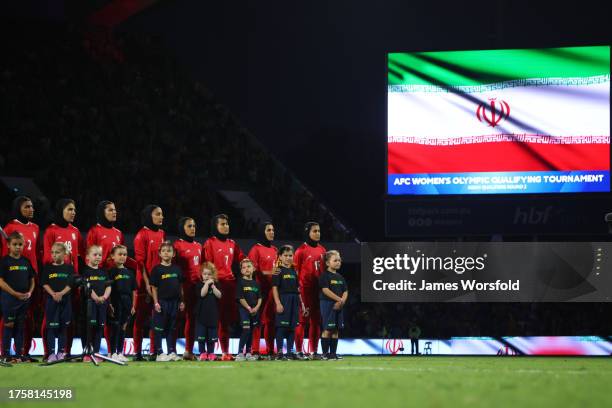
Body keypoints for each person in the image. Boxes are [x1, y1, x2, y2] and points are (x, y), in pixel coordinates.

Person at [86, 200, 137, 356]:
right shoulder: (94, 231)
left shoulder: (118, 233)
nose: (114, 212)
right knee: (106, 317)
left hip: (119, 279)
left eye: (115, 210)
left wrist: (137, 266)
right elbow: (89, 256)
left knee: (118, 318)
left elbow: (122, 255)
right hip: (102, 279)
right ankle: (101, 351)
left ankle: (114, 351)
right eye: (110, 210)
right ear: (102, 212)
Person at [43, 199, 84, 357]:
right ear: (61, 210)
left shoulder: (75, 231)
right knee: (50, 318)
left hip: (70, 283)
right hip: (54, 282)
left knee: (68, 319)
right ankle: (49, 353)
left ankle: (65, 352)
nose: (73, 212)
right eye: (70, 209)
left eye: (74, 209)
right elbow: (47, 258)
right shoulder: (50, 231)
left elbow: (80, 256)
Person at [1, 196, 40, 361]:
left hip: (29, 279)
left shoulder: (36, 228)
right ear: (18, 208)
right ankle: (6, 354)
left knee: (27, 320)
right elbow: (4, 253)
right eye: (27, 207)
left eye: (32, 206)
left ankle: (23, 352)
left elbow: (36, 253)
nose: (31, 209)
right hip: (11, 283)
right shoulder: (10, 227)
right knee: (8, 321)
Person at [203, 214, 245, 361]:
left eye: (227, 223)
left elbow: (243, 260)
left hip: (230, 285)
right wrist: (211, 283)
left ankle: (226, 352)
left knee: (226, 321)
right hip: (216, 284)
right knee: (215, 320)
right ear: (215, 226)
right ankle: (210, 352)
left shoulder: (233, 243)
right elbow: (207, 266)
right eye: (222, 224)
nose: (226, 226)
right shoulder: (209, 243)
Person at [132, 205, 165, 361]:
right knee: (140, 319)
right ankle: (137, 353)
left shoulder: (161, 233)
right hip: (144, 284)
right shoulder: (141, 235)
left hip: (159, 284)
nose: (161, 217)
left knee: (156, 319)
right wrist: (146, 284)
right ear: (149, 216)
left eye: (162, 214)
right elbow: (141, 263)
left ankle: (154, 352)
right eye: (158, 214)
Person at [0, 232, 35, 362]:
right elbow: (1, 281)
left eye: (20, 244)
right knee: (8, 325)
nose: (18, 247)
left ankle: (19, 355)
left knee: (20, 326)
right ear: (8, 245)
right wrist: (14, 293)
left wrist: (30, 292)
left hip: (24, 299)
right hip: (9, 299)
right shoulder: (4, 261)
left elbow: (32, 279)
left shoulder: (26, 261)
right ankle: (5, 355)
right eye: (15, 244)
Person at [294, 222, 326, 359]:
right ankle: (299, 351)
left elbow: (324, 272)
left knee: (316, 321)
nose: (318, 233)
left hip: (317, 291)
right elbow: (295, 272)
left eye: (319, 231)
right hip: (304, 291)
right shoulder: (300, 250)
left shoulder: (323, 250)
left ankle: (313, 352)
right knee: (302, 321)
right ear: (308, 232)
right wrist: (297, 290)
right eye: (315, 231)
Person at [173, 217, 202, 360]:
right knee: (175, 318)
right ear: (182, 228)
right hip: (181, 286)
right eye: (189, 226)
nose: (193, 228)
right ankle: (169, 350)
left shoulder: (198, 245)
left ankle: (188, 351)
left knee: (192, 318)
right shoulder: (177, 245)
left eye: (194, 225)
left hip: (196, 287)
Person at [247, 222, 277, 359]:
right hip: (258, 290)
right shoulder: (256, 249)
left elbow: (278, 270)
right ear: (262, 232)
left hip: (272, 291)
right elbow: (253, 270)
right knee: (257, 321)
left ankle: (270, 350)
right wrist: (270, 272)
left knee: (270, 320)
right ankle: (255, 350)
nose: (272, 232)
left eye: (273, 230)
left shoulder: (275, 250)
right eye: (268, 230)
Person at [150, 242, 184, 362]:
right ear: (159, 253)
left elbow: (180, 287)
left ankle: (171, 352)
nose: (166, 253)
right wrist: (156, 302)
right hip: (162, 302)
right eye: (163, 250)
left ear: (173, 254)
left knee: (172, 328)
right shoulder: (156, 269)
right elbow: (154, 288)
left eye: (169, 251)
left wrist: (181, 301)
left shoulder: (177, 269)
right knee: (159, 328)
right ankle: (159, 353)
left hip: (174, 302)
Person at [40, 242, 73, 362]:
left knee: (63, 328)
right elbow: (44, 283)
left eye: (57, 252)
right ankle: (51, 354)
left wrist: (61, 293)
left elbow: (70, 284)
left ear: (64, 254)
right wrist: (53, 294)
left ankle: (60, 353)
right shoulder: (48, 267)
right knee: (52, 328)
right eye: (52, 252)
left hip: (65, 301)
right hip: (51, 301)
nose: (54, 255)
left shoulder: (69, 268)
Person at [272, 245, 305, 360]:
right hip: (284, 300)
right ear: (280, 257)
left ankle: (290, 352)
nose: (288, 258)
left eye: (290, 255)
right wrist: (278, 303)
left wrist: (302, 305)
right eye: (285, 255)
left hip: (294, 300)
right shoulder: (278, 270)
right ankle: (280, 352)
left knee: (292, 328)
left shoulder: (293, 271)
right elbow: (275, 288)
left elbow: (297, 289)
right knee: (281, 327)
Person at [81, 245, 111, 363]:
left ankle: (96, 352)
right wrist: (95, 298)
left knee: (99, 328)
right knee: (89, 328)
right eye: (95, 254)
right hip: (90, 305)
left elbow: (108, 286)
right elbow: (87, 287)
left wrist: (104, 297)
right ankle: (87, 353)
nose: (98, 257)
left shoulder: (103, 272)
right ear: (87, 257)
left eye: (100, 255)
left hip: (102, 304)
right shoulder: (85, 271)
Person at [108, 245, 136, 362]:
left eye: (124, 254)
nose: (122, 256)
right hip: (116, 301)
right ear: (112, 256)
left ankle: (120, 352)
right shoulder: (111, 272)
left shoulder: (130, 272)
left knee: (123, 327)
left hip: (127, 302)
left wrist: (133, 305)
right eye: (120, 254)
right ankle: (112, 352)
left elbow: (134, 290)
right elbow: (108, 288)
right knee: (115, 327)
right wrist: (109, 303)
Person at [319, 250, 348, 360]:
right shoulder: (324, 276)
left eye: (339, 260)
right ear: (327, 263)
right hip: (327, 304)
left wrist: (341, 301)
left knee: (335, 330)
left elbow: (345, 291)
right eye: (335, 260)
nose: (338, 262)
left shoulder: (340, 277)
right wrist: (339, 299)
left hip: (338, 305)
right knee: (327, 329)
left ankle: (333, 353)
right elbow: (325, 290)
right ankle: (325, 354)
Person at [235, 259, 261, 361]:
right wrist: (249, 308)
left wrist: (256, 308)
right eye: (244, 267)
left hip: (254, 311)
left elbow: (260, 298)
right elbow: (240, 298)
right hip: (244, 310)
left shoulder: (256, 283)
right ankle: (240, 353)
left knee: (251, 331)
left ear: (253, 269)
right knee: (246, 329)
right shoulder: (240, 282)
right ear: (241, 271)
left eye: (249, 266)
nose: (246, 269)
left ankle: (249, 352)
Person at [194, 262, 221, 361]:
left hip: (213, 315)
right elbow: (202, 294)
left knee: (212, 336)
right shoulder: (199, 284)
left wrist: (213, 287)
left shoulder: (216, 284)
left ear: (213, 275)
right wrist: (206, 284)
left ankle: (211, 353)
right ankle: (202, 352)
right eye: (205, 274)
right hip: (201, 315)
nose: (207, 276)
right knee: (201, 336)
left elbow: (219, 295)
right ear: (201, 274)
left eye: (209, 274)